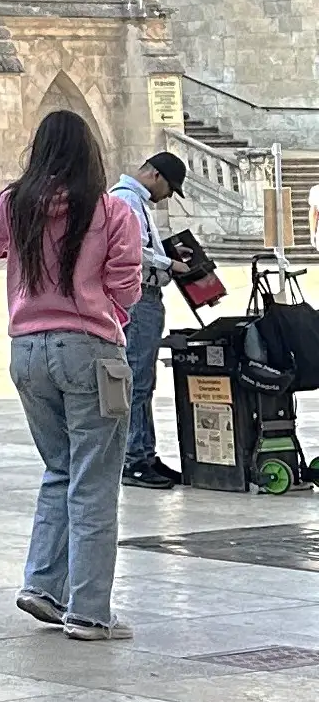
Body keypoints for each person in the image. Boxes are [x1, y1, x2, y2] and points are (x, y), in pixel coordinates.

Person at [0, 106, 142, 639]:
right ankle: (88, 610)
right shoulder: (110, 211)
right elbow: (126, 280)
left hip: (27, 351)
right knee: (94, 479)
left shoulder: (17, 204)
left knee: (59, 468)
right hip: (91, 349)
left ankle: (42, 583)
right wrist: (111, 314)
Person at [114, 149, 192, 486]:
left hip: (147, 296)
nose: (168, 197)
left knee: (143, 379)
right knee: (136, 379)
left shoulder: (135, 200)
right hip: (139, 296)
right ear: (155, 175)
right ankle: (133, 458)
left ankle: (144, 452)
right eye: (170, 188)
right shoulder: (125, 200)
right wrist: (169, 264)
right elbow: (131, 251)